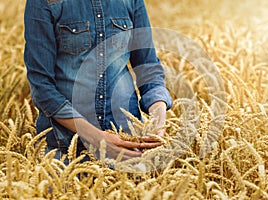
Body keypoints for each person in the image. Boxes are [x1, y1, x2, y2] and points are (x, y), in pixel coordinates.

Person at [24, 0, 173, 161]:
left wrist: (158, 124)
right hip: (66, 150)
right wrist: (98, 139)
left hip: (128, 146)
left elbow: (148, 68)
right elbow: (41, 87)